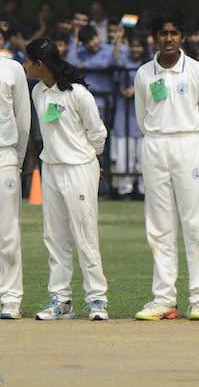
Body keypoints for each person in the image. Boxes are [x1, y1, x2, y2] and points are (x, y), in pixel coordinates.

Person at [133, 12, 199, 321]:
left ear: (182, 36)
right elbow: (143, 116)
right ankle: (164, 298)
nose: (168, 39)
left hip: (189, 143)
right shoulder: (144, 73)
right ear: (155, 37)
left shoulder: (195, 71)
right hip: (155, 145)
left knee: (195, 223)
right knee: (158, 226)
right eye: (163, 33)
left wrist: (194, 146)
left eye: (174, 33)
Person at [24, 38, 109, 321]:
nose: (25, 66)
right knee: (54, 235)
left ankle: (97, 298)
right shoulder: (38, 92)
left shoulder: (78, 94)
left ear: (41, 64)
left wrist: (90, 159)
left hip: (79, 168)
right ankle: (61, 299)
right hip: (52, 168)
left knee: (84, 233)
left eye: (28, 61)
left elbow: (97, 132)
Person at [0, 54, 31, 319]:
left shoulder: (11, 68)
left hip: (4, 153)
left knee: (7, 232)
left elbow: (23, 118)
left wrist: (17, 160)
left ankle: (10, 297)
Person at [112, 32, 148, 200]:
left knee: (143, 153)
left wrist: (136, 89)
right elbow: (115, 61)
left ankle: (143, 188)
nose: (135, 49)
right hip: (123, 111)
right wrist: (118, 41)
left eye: (139, 46)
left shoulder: (149, 64)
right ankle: (124, 188)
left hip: (142, 112)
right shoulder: (124, 61)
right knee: (124, 151)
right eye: (133, 45)